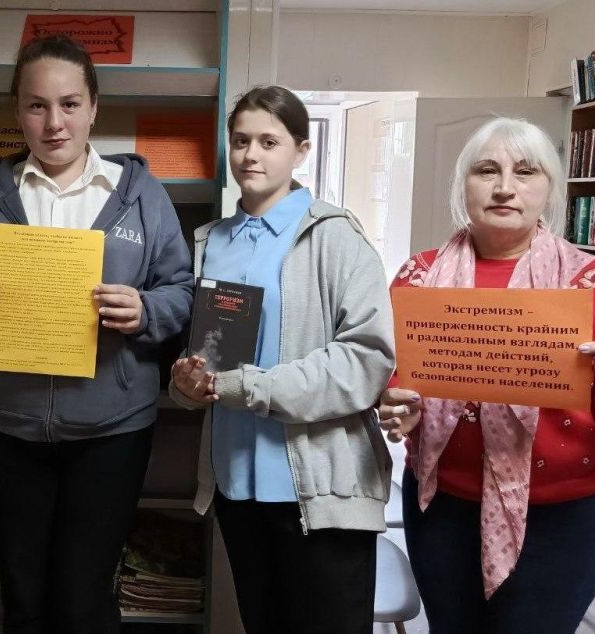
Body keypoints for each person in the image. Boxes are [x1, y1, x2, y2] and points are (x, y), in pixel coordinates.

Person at [0, 35, 193, 634]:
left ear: (93, 108)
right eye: (37, 105)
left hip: (111, 431)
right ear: (17, 110)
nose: (54, 123)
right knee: (23, 595)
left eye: (70, 104)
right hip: (6, 427)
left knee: (84, 598)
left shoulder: (140, 194)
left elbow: (181, 291)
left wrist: (146, 310)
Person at [379, 117, 595, 633]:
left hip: (561, 521)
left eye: (526, 172)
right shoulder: (419, 278)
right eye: (487, 170)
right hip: (441, 512)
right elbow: (396, 374)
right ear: (463, 184)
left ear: (550, 188)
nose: (505, 187)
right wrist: (397, 401)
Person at [170, 85, 396, 634]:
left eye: (269, 142)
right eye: (240, 140)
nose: (251, 155)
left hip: (320, 491)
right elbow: (203, 356)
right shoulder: (210, 242)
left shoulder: (335, 236)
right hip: (236, 487)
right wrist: (186, 382)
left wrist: (248, 387)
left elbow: (366, 360)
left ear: (301, 150)